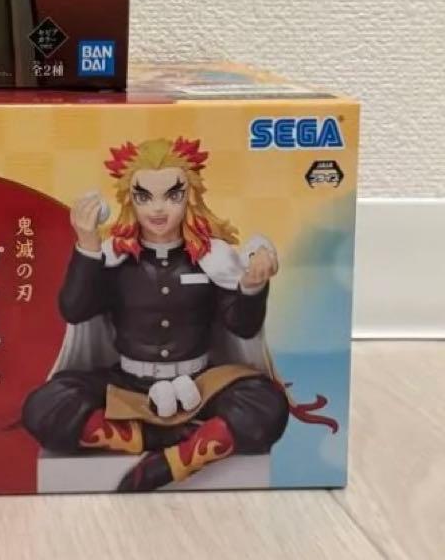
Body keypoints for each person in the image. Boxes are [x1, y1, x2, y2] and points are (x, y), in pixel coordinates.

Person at [21, 137, 305, 492]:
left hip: (201, 384)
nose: (158, 209)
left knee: (267, 405)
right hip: (127, 383)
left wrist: (251, 284)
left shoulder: (212, 258)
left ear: (191, 197)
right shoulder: (115, 258)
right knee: (45, 407)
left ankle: (173, 463)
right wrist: (88, 244)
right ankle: (156, 437)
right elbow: (75, 310)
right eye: (144, 197)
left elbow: (242, 327)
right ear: (129, 200)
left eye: (173, 195)